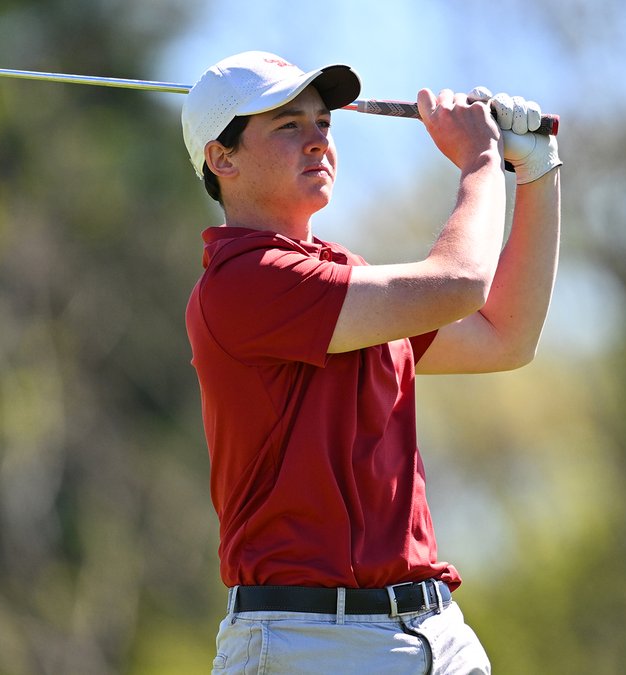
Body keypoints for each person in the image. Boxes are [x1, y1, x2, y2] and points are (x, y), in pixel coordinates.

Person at [180, 50, 561, 674]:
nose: (317, 142)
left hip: (435, 632)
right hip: (309, 642)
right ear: (222, 159)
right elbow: (462, 282)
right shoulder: (241, 284)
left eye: (323, 124)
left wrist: (537, 171)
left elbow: (504, 337)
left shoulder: (342, 277)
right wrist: (481, 159)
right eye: (287, 126)